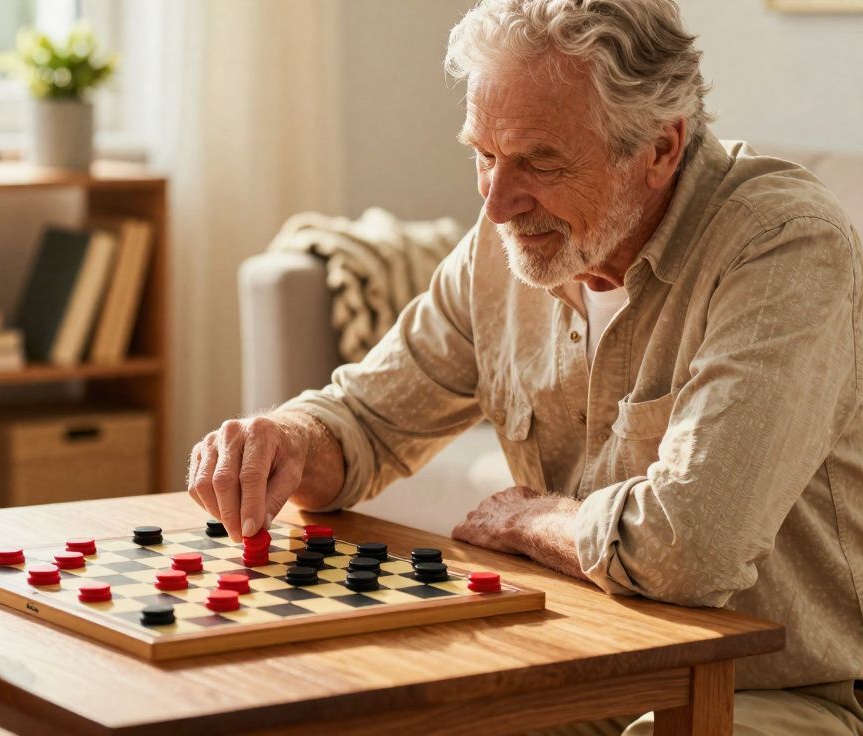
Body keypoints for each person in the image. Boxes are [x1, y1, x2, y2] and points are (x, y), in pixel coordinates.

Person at [187, 0, 863, 733]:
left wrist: (533, 518)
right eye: (483, 153)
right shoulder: (506, 247)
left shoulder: (785, 246)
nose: (498, 201)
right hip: (579, 660)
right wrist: (284, 441)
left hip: (773, 688)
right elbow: (367, 423)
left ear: (661, 149)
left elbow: (687, 550)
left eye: (541, 161)